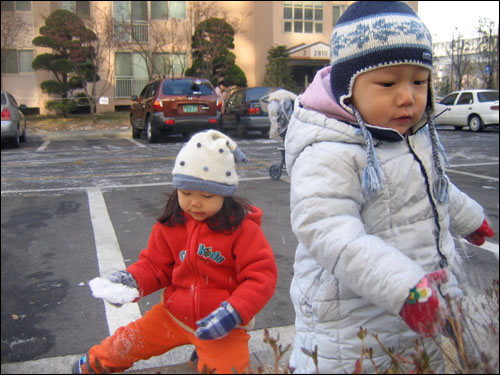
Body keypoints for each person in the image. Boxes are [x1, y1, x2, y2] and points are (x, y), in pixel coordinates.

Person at [284, 2, 494, 373]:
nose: (407, 97)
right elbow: (328, 230)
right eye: (388, 83)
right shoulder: (328, 150)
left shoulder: (411, 136)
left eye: (419, 81)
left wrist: (469, 218)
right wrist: (405, 288)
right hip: (350, 333)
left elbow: (433, 189)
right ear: (347, 88)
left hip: (419, 315)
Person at [73, 130, 278, 374]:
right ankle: (94, 363)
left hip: (222, 327)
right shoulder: (171, 224)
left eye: (206, 195)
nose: (194, 203)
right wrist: (131, 281)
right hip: (173, 315)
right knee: (128, 342)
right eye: (186, 193)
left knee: (227, 371)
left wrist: (234, 312)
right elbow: (155, 266)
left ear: (226, 194)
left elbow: (260, 277)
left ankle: (204, 353)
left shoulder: (243, 231)